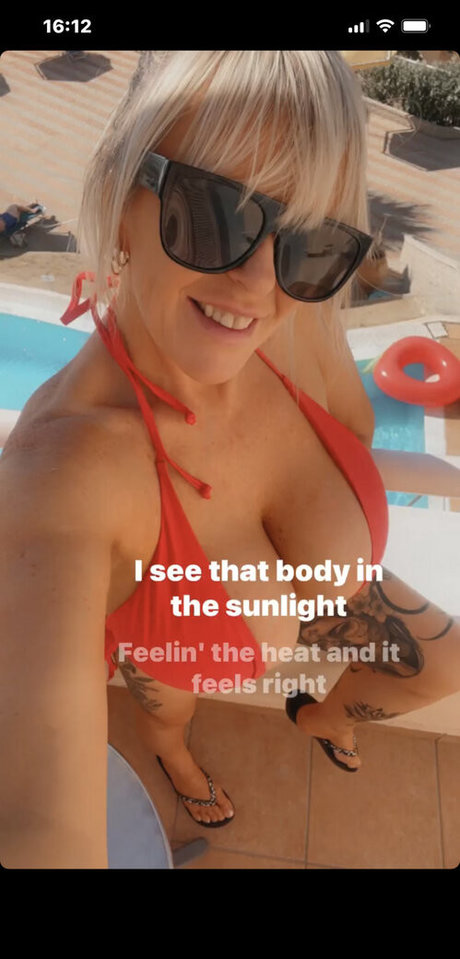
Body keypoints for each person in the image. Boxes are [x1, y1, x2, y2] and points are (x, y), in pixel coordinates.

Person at [1, 51, 459, 868]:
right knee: (169, 709)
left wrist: (435, 479)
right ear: (124, 195)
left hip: (308, 594)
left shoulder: (298, 312)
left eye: (312, 239)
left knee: (444, 665)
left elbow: (346, 447)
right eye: (216, 212)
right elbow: (37, 827)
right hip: (181, 652)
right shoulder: (66, 470)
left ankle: (323, 716)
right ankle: (174, 755)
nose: (256, 283)